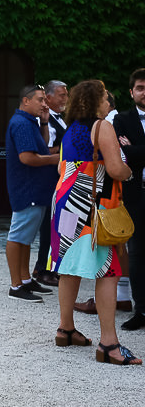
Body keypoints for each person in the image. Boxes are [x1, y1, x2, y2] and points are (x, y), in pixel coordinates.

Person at [50, 80, 140, 365]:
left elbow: (61, 165)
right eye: (104, 96)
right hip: (92, 205)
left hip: (65, 201)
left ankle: (65, 329)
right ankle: (109, 344)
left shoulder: (71, 129)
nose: (108, 100)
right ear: (94, 100)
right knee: (109, 270)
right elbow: (114, 168)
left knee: (68, 266)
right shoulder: (102, 127)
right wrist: (128, 172)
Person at [5, 84, 60, 302]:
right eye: (40, 100)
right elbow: (27, 158)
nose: (45, 104)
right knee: (17, 237)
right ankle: (15, 286)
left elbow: (43, 148)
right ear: (26, 101)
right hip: (28, 190)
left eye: (45, 101)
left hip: (35, 190)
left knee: (25, 239)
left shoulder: (30, 122)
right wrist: (57, 159)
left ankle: (26, 280)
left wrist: (45, 122)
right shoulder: (21, 123)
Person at [113, 68, 145, 331]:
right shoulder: (121, 120)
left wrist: (134, 149)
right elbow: (122, 156)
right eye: (140, 88)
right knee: (137, 254)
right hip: (136, 195)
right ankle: (141, 310)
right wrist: (129, 151)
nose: (144, 93)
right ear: (132, 92)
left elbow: (132, 153)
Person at [33, 80, 68, 287]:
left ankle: (51, 268)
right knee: (48, 226)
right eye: (62, 95)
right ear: (49, 97)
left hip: (59, 177)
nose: (65, 98)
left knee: (56, 226)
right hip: (49, 179)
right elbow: (45, 150)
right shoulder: (44, 121)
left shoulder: (60, 119)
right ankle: (42, 269)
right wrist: (68, 148)